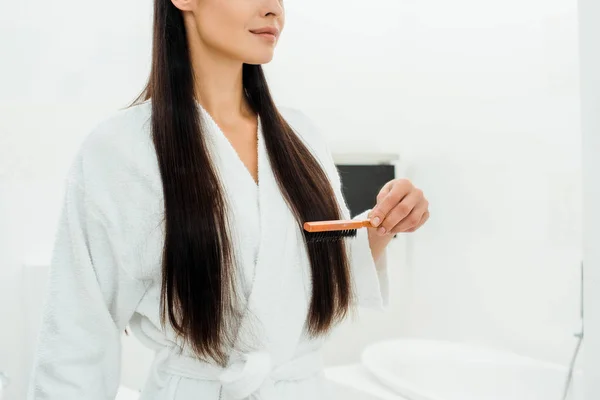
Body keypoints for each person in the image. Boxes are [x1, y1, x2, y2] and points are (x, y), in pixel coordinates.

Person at [27, 0, 430, 399]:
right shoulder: (119, 151)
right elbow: (76, 344)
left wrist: (381, 226)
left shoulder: (301, 135)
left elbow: (303, 269)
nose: (274, 9)